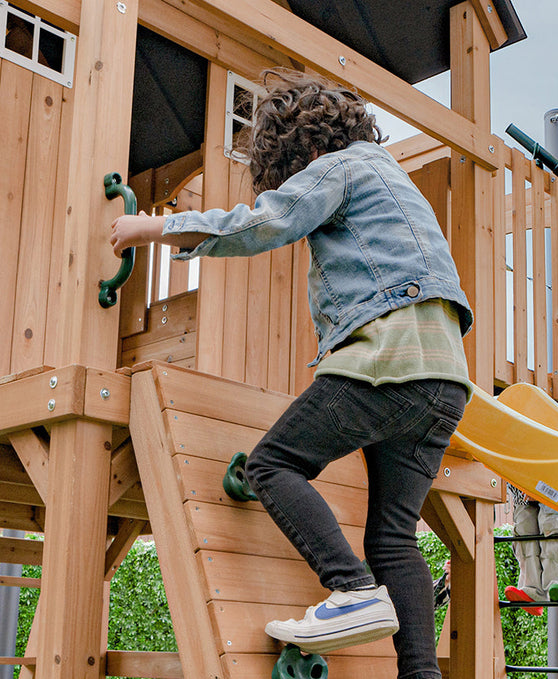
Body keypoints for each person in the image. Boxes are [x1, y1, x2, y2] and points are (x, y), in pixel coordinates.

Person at [110, 68, 473, 679]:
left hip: (386, 360)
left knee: (274, 465)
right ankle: (421, 672)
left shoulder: (339, 165)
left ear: (304, 146)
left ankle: (351, 591)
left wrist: (152, 227)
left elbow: (264, 223)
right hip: (445, 381)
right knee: (394, 537)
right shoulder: (395, 180)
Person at [504, 484, 558, 616]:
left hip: (550, 482)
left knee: (552, 523)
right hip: (521, 484)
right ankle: (531, 589)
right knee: (524, 527)